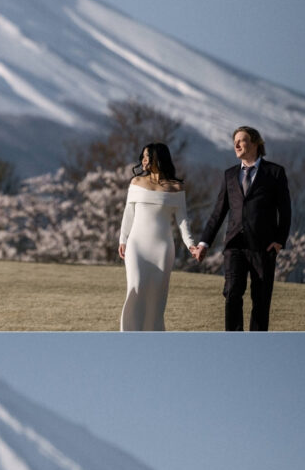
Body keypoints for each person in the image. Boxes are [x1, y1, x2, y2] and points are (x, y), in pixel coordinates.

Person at [195, 126, 291, 330]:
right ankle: (233, 339)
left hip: (263, 247)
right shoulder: (229, 175)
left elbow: (285, 211)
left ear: (256, 143)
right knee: (231, 292)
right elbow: (218, 212)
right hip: (234, 245)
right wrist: (204, 242)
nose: (237, 144)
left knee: (261, 300)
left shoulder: (274, 173)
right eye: (235, 141)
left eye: (242, 140)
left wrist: (279, 241)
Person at [118, 144, 196, 331]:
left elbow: (182, 220)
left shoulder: (176, 187)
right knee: (135, 287)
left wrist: (191, 245)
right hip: (136, 245)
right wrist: (123, 239)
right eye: (143, 156)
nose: (144, 160)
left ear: (159, 159)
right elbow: (128, 214)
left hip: (162, 248)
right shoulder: (136, 182)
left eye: (148, 156)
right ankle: (127, 334)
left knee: (157, 296)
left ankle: (153, 337)